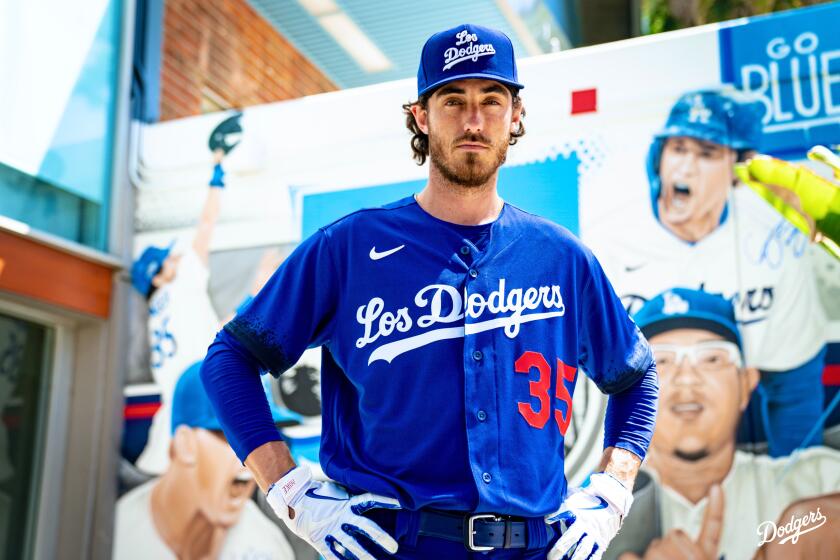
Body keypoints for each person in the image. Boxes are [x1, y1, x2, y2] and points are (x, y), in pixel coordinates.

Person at [200, 24, 659, 560]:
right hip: (392, 544)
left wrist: (612, 489)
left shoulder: (562, 258)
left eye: (492, 100)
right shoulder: (349, 248)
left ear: (516, 115)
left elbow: (636, 374)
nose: (473, 120)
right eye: (452, 100)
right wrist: (288, 491)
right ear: (420, 115)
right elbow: (229, 359)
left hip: (535, 547)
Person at [591, 89, 827, 457]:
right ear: (660, 157)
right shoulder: (607, 242)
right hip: (630, 454)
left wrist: (796, 481)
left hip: (734, 456)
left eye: (707, 154)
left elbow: (793, 390)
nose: (685, 167)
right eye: (678, 149)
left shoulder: (772, 239)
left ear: (737, 167)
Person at [608, 288, 840, 560]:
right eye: (661, 361)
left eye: (711, 358)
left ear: (746, 384)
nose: (687, 378)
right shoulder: (590, 505)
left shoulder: (817, 477)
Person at [131, 114, 242, 474]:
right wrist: (217, 166)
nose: (177, 258)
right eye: (168, 260)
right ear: (160, 276)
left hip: (173, 416)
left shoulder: (155, 309)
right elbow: (206, 224)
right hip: (198, 405)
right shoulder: (178, 287)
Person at [113, 361, 294, 560]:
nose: (254, 457)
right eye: (232, 437)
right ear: (185, 444)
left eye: (262, 439)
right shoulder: (117, 532)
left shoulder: (265, 545)